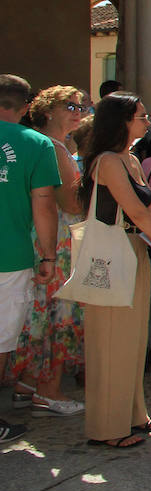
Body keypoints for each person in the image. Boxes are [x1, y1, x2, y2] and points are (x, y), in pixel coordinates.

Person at [81, 92, 151, 447]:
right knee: (112, 341)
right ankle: (108, 428)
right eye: (140, 115)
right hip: (112, 255)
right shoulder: (108, 161)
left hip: (133, 250)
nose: (146, 121)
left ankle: (134, 414)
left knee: (134, 340)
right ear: (122, 121)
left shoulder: (130, 159)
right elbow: (135, 211)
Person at [10, 86, 87, 417]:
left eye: (81, 107)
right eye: (70, 106)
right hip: (57, 239)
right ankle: (48, 390)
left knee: (42, 311)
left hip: (46, 238)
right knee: (58, 313)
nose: (78, 112)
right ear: (47, 110)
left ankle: (28, 383)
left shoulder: (50, 145)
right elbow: (70, 202)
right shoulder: (53, 147)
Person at [0, 75, 62, 443]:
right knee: (0, 339)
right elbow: (44, 203)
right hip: (9, 255)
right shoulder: (36, 144)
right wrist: (49, 255)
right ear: (26, 108)